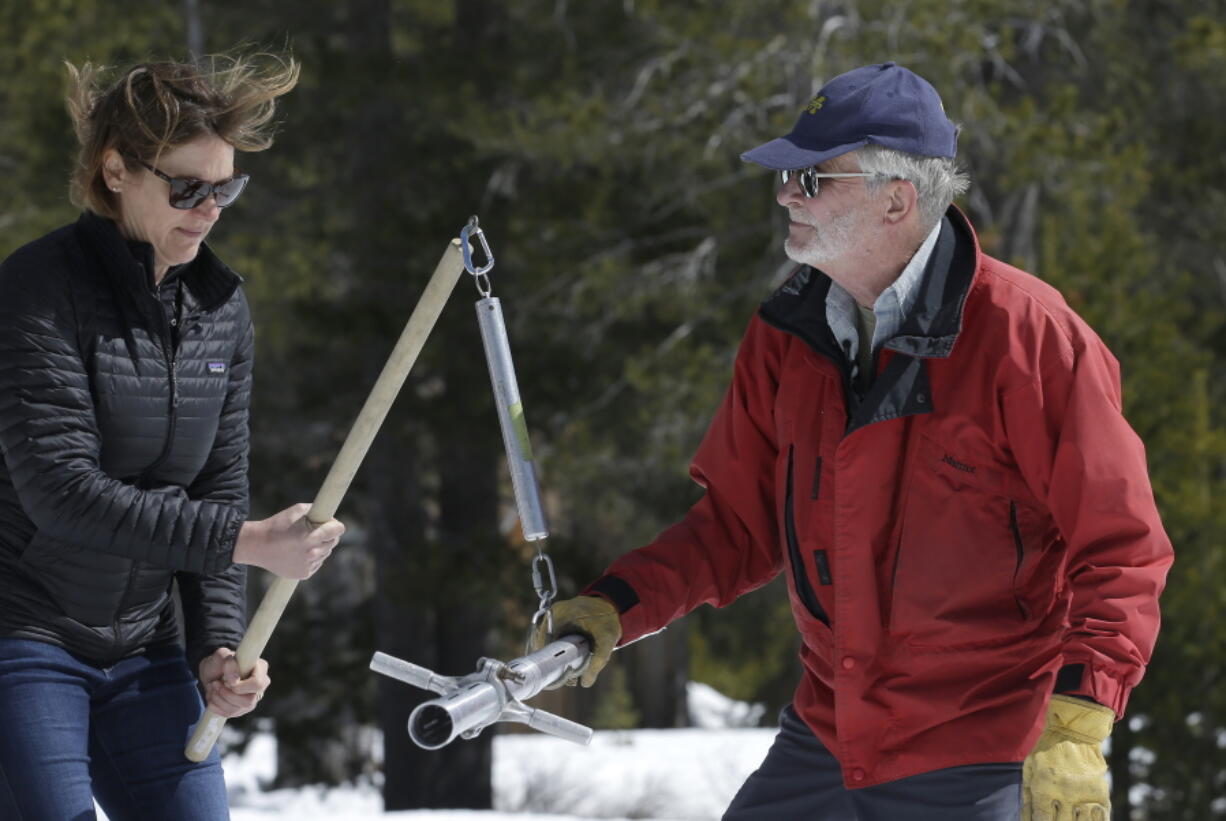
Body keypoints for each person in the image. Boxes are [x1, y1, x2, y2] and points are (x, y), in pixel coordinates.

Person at [534, 62, 1173, 820]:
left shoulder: (1025, 337)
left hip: (978, 751)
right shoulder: (786, 332)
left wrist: (1076, 721)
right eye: (785, 176)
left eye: (810, 179)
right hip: (828, 738)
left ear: (896, 198)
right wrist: (618, 603)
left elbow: (1122, 547)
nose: (782, 194)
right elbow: (740, 525)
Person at [0, 53, 345, 820]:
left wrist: (217, 645)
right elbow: (62, 493)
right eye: (187, 187)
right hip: (23, 631)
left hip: (146, 644)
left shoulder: (222, 309)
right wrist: (249, 540)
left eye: (226, 187)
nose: (210, 206)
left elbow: (217, 488)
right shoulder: (37, 289)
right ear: (115, 171)